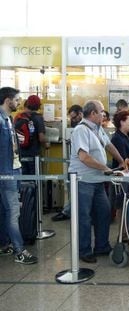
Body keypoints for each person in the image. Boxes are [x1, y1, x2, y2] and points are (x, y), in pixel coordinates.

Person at [68, 100, 125, 263]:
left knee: (104, 212)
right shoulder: (81, 130)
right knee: (84, 217)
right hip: (83, 180)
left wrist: (121, 161)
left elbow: (109, 146)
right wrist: (105, 168)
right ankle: (84, 250)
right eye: (101, 112)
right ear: (92, 114)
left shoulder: (98, 129)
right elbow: (84, 157)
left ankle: (102, 246)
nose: (104, 115)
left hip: (97, 181)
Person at [0, 87, 38, 264]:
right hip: (6, 173)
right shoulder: (1, 120)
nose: (18, 103)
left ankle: (4, 244)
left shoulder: (8, 119)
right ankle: (19, 250)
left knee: (5, 210)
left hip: (13, 170)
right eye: (16, 100)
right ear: (8, 101)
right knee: (13, 211)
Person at [52, 104, 84, 222]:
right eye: (71, 118)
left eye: (74, 117)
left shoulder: (83, 128)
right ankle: (68, 211)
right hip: (76, 166)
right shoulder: (78, 128)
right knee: (72, 190)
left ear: (80, 114)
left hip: (81, 168)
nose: (72, 121)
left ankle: (68, 211)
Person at [15, 95, 49, 175]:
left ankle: (24, 188)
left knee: (23, 177)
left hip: (21, 152)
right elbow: (41, 138)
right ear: (38, 106)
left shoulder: (19, 117)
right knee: (34, 178)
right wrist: (47, 144)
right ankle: (34, 188)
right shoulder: (38, 118)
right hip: (34, 153)